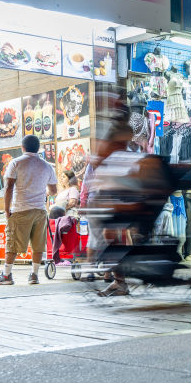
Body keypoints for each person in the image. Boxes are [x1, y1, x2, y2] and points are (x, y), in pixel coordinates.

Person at [0, 135, 57, 285]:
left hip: (21, 209)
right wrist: (42, 192)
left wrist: (6, 209)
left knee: (13, 243)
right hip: (40, 211)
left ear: (22, 147)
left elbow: (8, 188)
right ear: (38, 148)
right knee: (38, 244)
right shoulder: (47, 166)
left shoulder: (16, 163)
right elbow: (53, 191)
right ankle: (34, 275)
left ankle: (7, 276)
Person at [81, 121, 134, 282]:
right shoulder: (127, 155)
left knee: (99, 237)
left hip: (100, 201)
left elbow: (86, 183)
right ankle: (108, 274)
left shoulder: (102, 153)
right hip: (109, 201)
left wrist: (83, 202)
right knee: (110, 237)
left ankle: (99, 272)